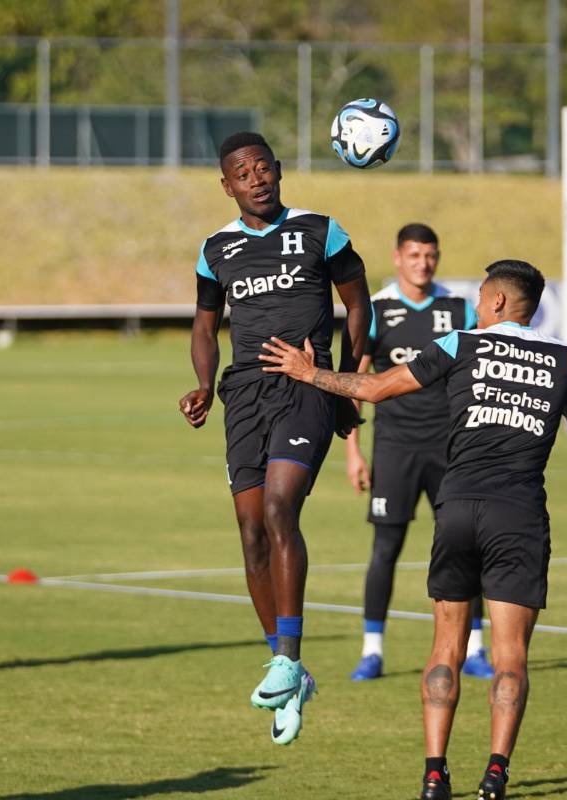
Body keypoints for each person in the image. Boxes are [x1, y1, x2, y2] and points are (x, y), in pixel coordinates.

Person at [261, 260, 567, 800]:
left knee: (446, 644)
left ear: (497, 303)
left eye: (482, 293)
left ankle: (435, 774)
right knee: (511, 654)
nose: (474, 303)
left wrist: (313, 375)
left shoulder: (462, 344)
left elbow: (374, 389)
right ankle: (495, 774)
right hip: (519, 515)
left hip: (459, 507)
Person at [178, 132, 371, 745]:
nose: (255, 177)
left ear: (279, 171)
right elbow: (205, 326)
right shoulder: (216, 250)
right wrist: (205, 385)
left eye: (263, 167)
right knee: (251, 528)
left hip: (305, 386)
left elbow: (359, 304)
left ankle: (289, 654)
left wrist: (339, 380)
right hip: (245, 397)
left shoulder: (321, 230)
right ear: (227, 185)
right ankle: (288, 670)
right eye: (242, 171)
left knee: (281, 506)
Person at [343, 223, 493, 682]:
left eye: (430, 255)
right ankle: (372, 650)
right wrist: (353, 451)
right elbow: (354, 381)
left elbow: (482, 373)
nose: (423, 263)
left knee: (466, 545)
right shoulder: (378, 310)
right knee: (385, 546)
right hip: (395, 447)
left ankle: (475, 648)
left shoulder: (459, 308)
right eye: (414, 255)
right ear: (397, 257)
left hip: (451, 448)